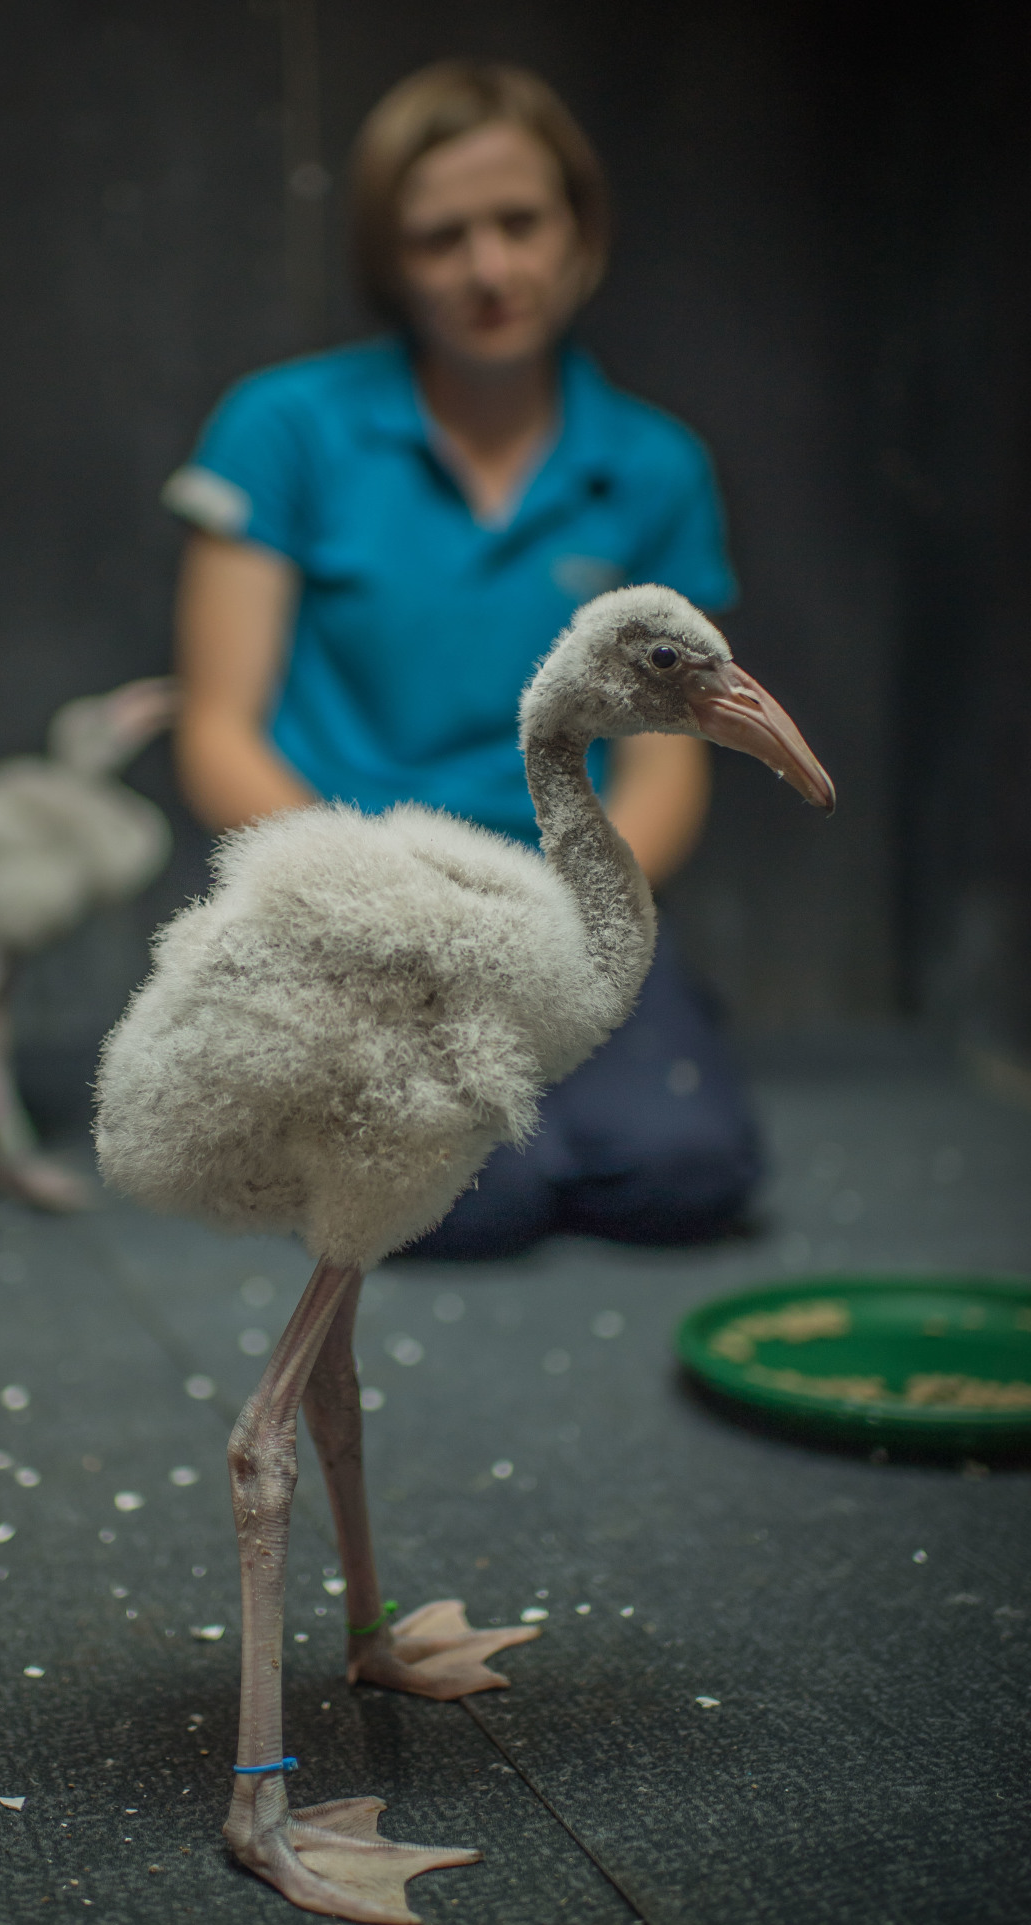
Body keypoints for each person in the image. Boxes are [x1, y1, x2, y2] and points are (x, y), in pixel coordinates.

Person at [160, 60, 760, 1257]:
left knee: (685, 1171)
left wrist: (556, 933)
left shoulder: (652, 466)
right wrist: (383, 920)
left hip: (559, 903)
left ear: (579, 230)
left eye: (518, 223)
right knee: (476, 1202)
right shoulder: (282, 428)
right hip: (361, 910)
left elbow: (670, 764)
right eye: (442, 237)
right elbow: (216, 727)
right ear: (390, 258)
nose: (488, 269)